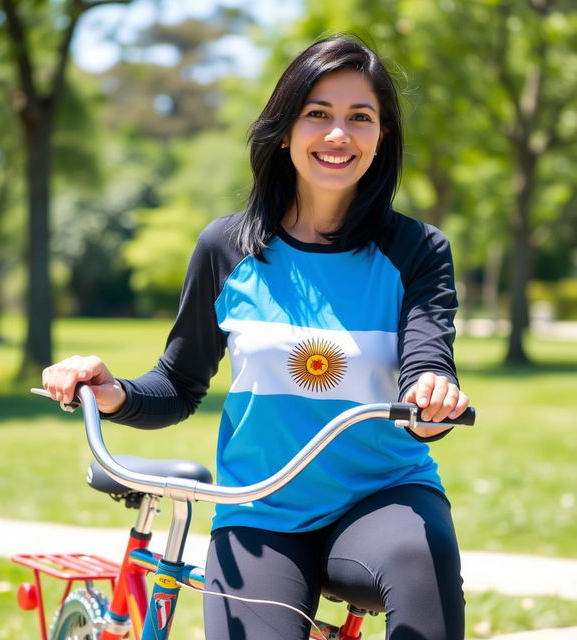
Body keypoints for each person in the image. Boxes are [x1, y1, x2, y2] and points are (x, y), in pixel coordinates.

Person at [43, 35, 469, 640]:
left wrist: (433, 402)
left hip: (384, 497)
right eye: (317, 113)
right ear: (285, 127)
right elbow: (178, 383)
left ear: (383, 138)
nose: (337, 134)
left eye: (360, 118)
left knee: (422, 557)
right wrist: (110, 391)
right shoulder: (228, 247)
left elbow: (428, 364)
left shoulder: (417, 251)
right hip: (261, 508)